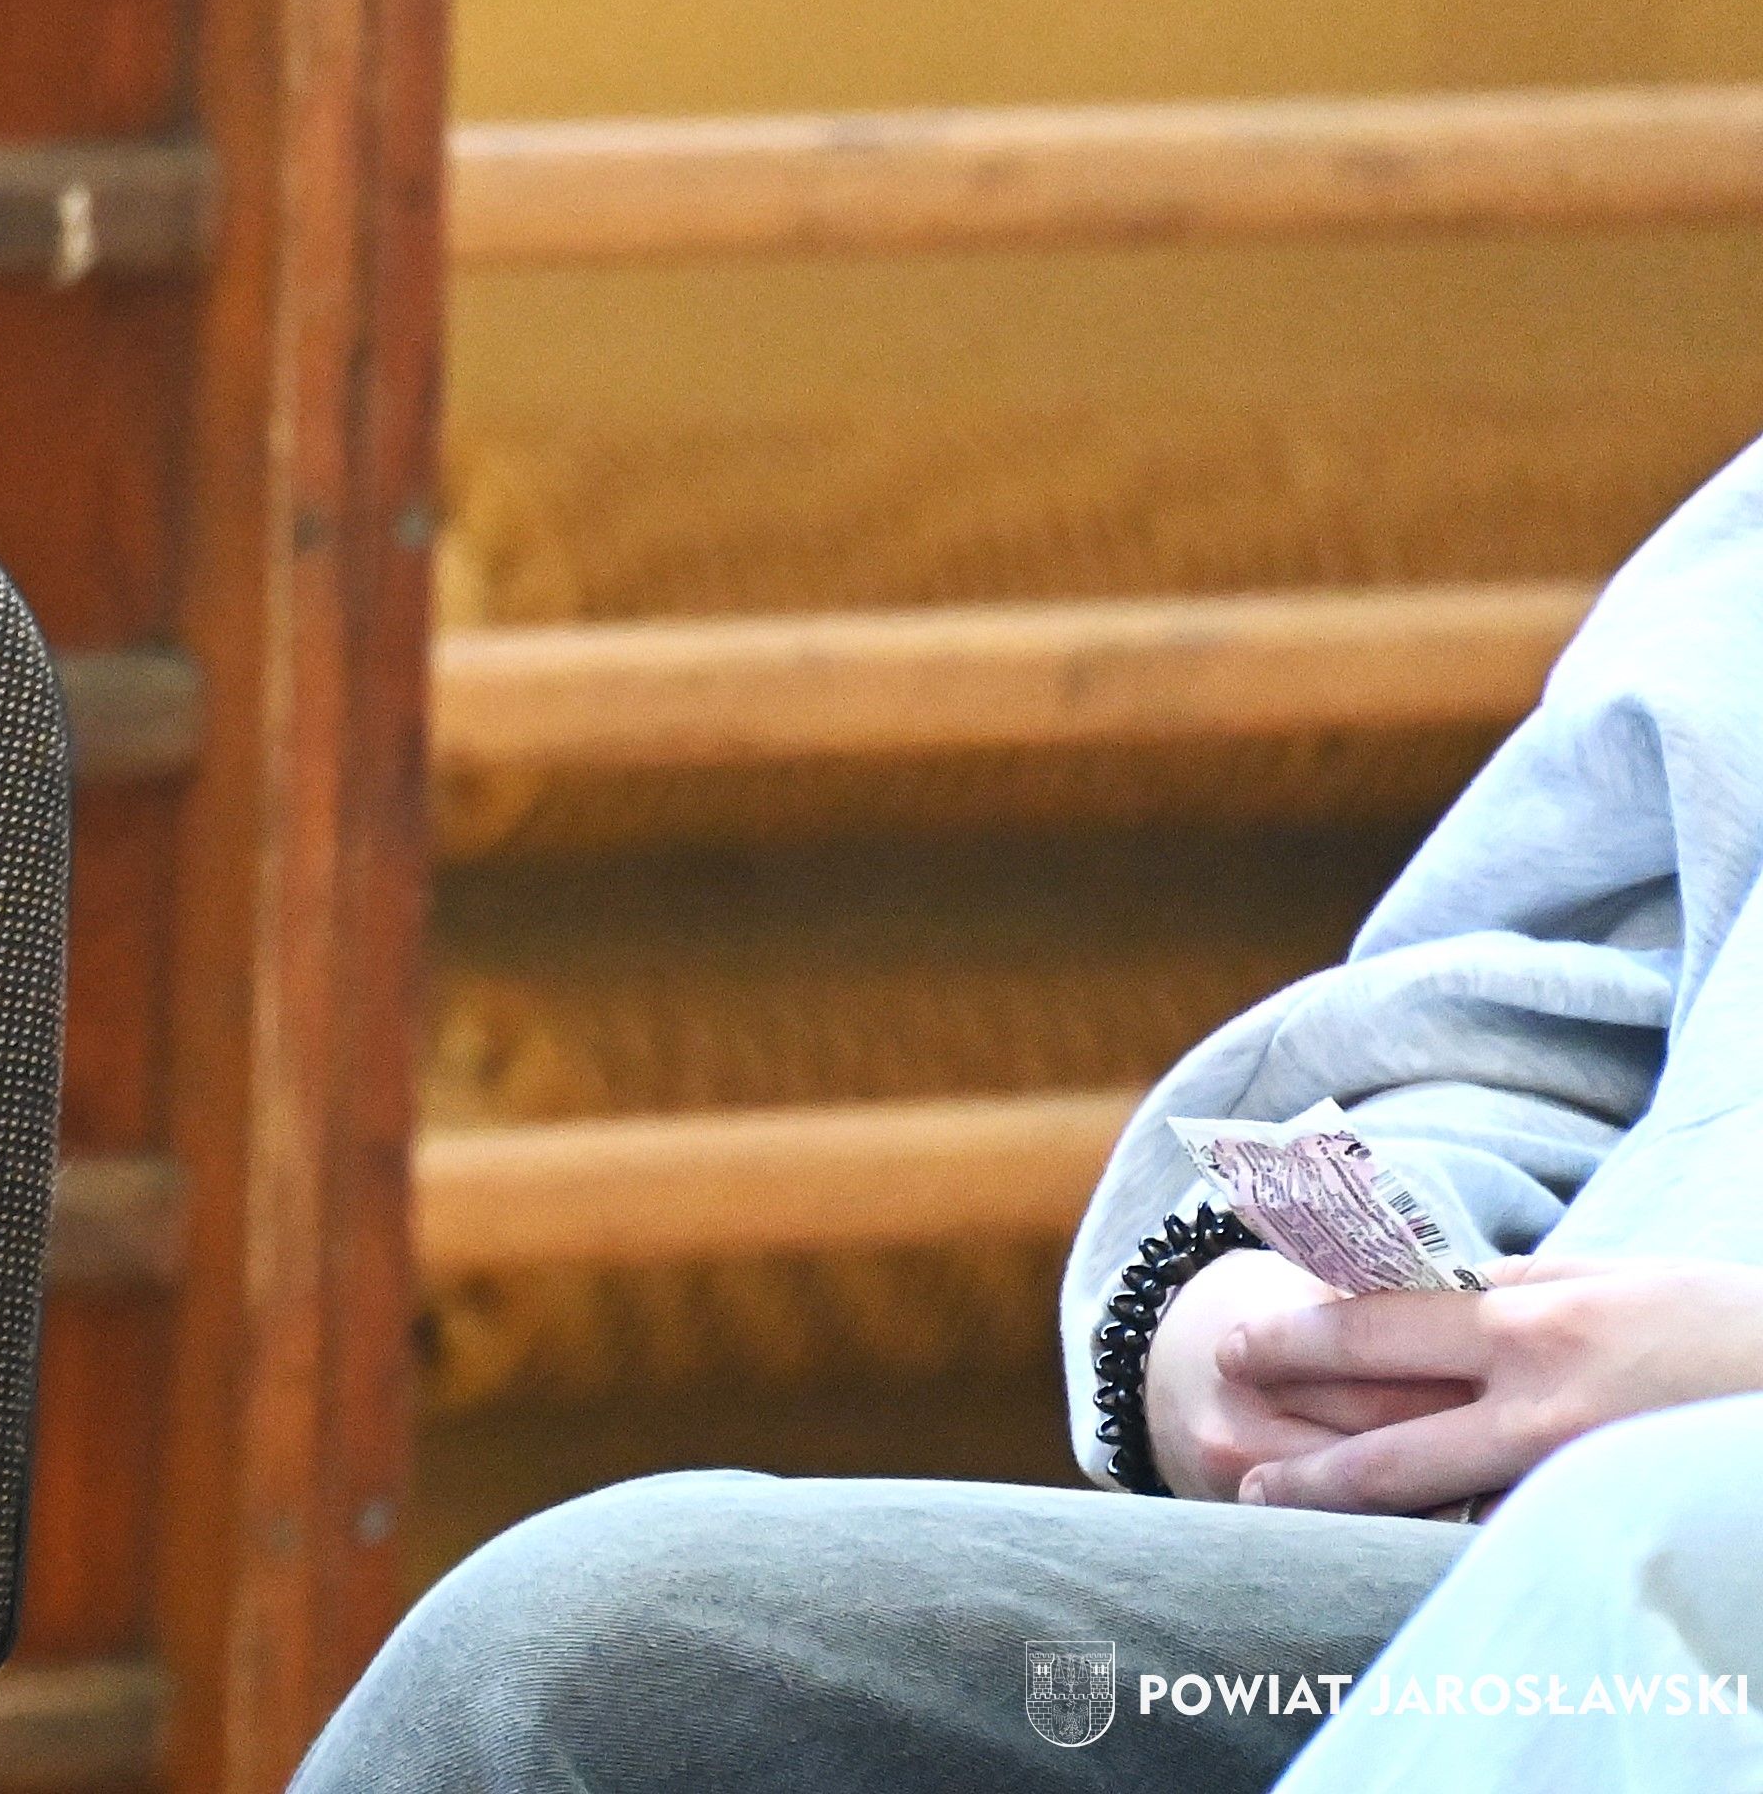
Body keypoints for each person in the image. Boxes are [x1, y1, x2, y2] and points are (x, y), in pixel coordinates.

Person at [299, 436, 1763, 1790]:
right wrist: (1260, 1315)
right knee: (587, 1677)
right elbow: (1568, 1007)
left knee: (602, 1667)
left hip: (1679, 1591)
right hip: (1491, 1558)